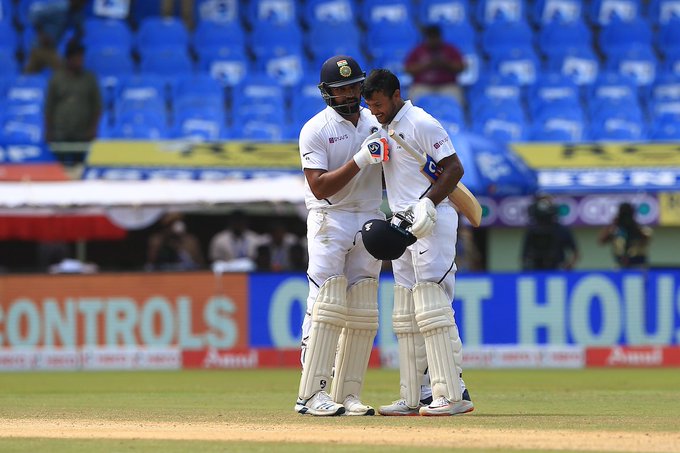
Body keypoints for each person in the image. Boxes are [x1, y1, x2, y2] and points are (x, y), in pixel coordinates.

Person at [361, 68, 474, 416]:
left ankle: (454, 394)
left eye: (379, 104)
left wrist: (426, 202)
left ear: (396, 95)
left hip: (432, 221)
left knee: (433, 305)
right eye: (371, 106)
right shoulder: (384, 127)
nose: (375, 111)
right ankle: (416, 394)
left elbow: (454, 169)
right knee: (407, 312)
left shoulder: (422, 122)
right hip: (401, 225)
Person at [294, 55, 389, 416]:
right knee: (324, 303)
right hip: (329, 220)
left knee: (362, 307)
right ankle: (312, 393)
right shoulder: (314, 129)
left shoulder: (375, 122)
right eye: (341, 89)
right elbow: (319, 188)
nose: (349, 94)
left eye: (354, 86)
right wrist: (362, 159)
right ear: (326, 94)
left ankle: (347, 392)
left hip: (368, 217)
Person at [43, 39, 102, 142]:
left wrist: (93, 130)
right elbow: (49, 108)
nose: (80, 61)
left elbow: (97, 107)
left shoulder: (89, 79)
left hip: (84, 134)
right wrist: (49, 131)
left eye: (81, 57)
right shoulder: (56, 79)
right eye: (77, 57)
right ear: (68, 59)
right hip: (60, 133)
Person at [403, 24, 466, 107]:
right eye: (431, 38)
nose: (433, 41)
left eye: (435, 37)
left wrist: (446, 63)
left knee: (457, 97)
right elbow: (407, 69)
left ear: (440, 37)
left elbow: (461, 67)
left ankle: (458, 119)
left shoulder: (449, 49)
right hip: (423, 85)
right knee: (411, 101)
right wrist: (426, 65)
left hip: (447, 85)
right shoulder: (418, 50)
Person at [24, 0, 87, 74]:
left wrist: (75, 39)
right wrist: (41, 34)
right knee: (64, 71)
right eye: (80, 1)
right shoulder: (58, 8)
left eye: (84, 2)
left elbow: (81, 31)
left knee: (29, 74)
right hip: (41, 46)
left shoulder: (77, 14)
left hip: (52, 47)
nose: (82, 4)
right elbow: (34, 14)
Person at [521, 194, 579, 271]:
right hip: (536, 271)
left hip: (557, 270)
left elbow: (575, 252)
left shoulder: (562, 230)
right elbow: (524, 256)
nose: (544, 205)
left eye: (548, 202)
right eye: (541, 202)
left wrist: (569, 265)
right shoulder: (532, 231)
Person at [598, 202, 652, 269]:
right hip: (620, 265)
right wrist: (613, 224)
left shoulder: (642, 229)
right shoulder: (616, 229)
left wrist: (633, 226)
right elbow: (601, 241)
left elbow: (645, 239)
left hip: (639, 264)